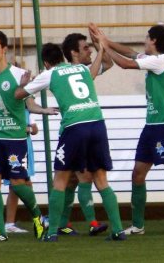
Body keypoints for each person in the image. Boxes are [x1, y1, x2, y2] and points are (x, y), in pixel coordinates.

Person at [90, 23, 164, 235]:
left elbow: (125, 63)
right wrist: (105, 39)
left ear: (154, 41)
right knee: (138, 174)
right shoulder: (154, 60)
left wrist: (104, 46)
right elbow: (131, 53)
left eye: (146, 38)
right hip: (152, 126)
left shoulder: (160, 61)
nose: (144, 41)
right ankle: (138, 225)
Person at [15, 43, 126, 242]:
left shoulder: (49, 73)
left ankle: (52, 233)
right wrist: (101, 50)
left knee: (60, 180)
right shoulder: (82, 68)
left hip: (75, 127)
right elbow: (96, 71)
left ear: (46, 63)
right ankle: (118, 230)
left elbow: (19, 96)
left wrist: (24, 83)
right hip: (97, 123)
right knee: (101, 180)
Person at [0, 30, 55, 241]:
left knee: (17, 183)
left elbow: (29, 103)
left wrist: (43, 110)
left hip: (15, 137)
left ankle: (38, 217)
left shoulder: (18, 74)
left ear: (4, 49)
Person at [51, 32, 114, 236]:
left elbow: (109, 63)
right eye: (85, 47)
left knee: (74, 179)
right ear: (73, 53)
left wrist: (99, 45)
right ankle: (90, 223)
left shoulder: (86, 68)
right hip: (73, 131)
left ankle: (62, 224)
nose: (89, 50)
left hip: (78, 130)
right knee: (80, 177)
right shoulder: (70, 72)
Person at [4, 98, 39, 233]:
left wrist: (27, 128)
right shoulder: (8, 111)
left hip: (26, 150)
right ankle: (10, 223)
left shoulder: (26, 111)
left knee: (26, 183)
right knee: (15, 186)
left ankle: (36, 218)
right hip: (13, 150)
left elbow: (34, 129)